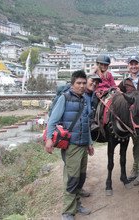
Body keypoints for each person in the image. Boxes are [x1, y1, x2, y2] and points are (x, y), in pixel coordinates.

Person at [45, 70, 94, 220]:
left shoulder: (85, 99)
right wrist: (48, 139)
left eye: (84, 83)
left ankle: (77, 203)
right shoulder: (64, 98)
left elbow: (86, 123)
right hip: (71, 145)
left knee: (81, 176)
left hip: (83, 144)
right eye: (78, 83)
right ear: (72, 84)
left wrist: (90, 143)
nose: (81, 86)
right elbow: (53, 120)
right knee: (72, 178)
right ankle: (67, 212)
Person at [117, 56, 139, 186]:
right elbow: (119, 92)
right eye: (131, 64)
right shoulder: (125, 82)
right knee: (136, 144)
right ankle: (136, 169)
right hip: (134, 119)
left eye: (136, 64)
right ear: (128, 67)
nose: (134, 66)